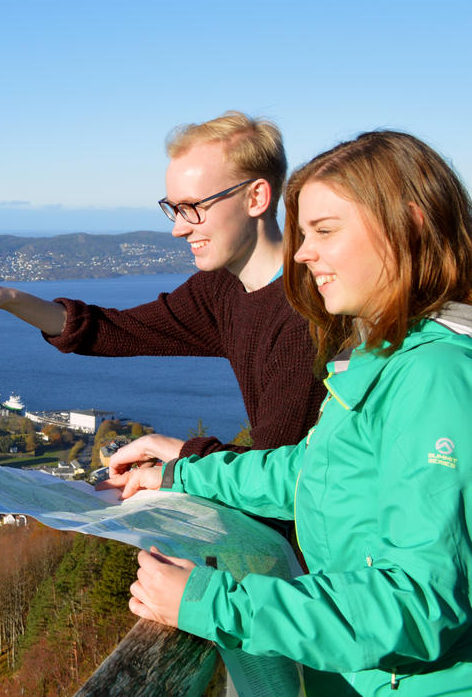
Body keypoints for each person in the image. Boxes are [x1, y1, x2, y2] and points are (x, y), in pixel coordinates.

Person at [108, 131, 472, 694]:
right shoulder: (388, 354)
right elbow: (309, 473)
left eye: (325, 231)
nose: (302, 253)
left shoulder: (436, 378)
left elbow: (421, 603)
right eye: (304, 234)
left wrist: (210, 602)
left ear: (412, 224)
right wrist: (183, 469)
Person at [0, 111, 323, 467]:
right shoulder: (221, 290)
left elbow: (278, 475)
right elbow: (115, 330)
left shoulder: (306, 314)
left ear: (256, 197)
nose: (178, 227)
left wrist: (173, 453)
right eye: (173, 208)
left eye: (193, 207)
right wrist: (8, 299)